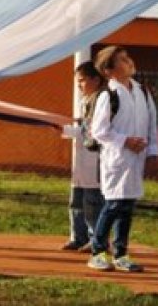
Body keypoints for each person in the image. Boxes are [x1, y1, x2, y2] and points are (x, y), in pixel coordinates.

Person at [86, 46, 158, 273]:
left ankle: (121, 254)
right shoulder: (108, 95)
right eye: (122, 60)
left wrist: (153, 150)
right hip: (117, 159)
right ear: (109, 71)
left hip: (135, 160)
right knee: (114, 204)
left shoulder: (142, 92)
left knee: (127, 206)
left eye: (128, 57)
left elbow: (152, 125)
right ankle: (97, 251)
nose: (129, 61)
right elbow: (99, 131)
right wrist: (125, 141)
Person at [60, 61, 106, 252]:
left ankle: (96, 238)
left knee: (92, 203)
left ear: (96, 80)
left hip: (93, 160)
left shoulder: (100, 100)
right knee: (76, 202)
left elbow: (90, 131)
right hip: (80, 163)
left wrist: (65, 129)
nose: (79, 86)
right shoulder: (85, 101)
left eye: (82, 81)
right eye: (77, 82)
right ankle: (78, 237)